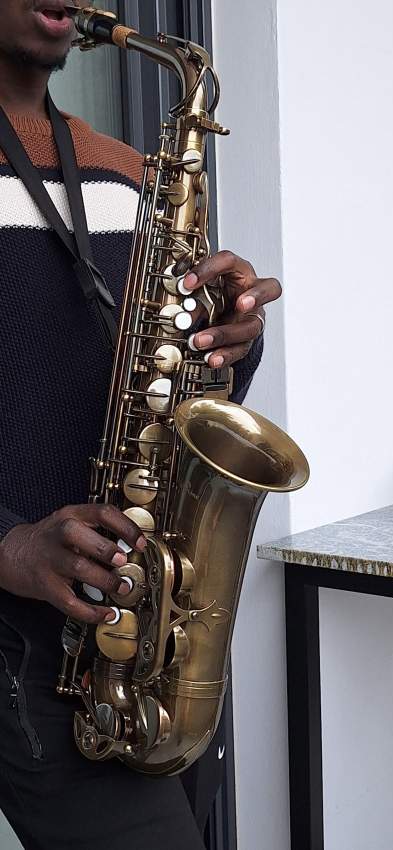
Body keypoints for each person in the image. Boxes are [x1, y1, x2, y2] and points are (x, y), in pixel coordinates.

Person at [0, 2, 282, 849]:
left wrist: (223, 343)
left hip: (137, 639)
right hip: (24, 637)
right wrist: (9, 547)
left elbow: (170, 398)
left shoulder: (127, 175)